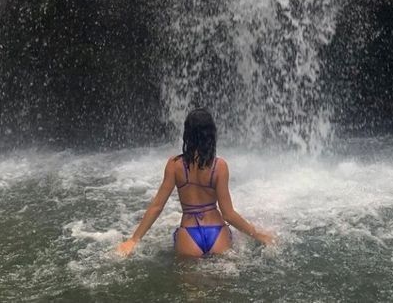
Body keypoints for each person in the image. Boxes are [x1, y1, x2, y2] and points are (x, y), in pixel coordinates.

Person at [116, 108, 275, 258]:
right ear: (212, 134)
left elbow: (157, 206)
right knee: (221, 284)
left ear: (187, 134)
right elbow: (228, 214)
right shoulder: (219, 166)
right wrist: (259, 234)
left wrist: (133, 240)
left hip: (189, 235)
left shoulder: (174, 164)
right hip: (217, 233)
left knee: (191, 286)